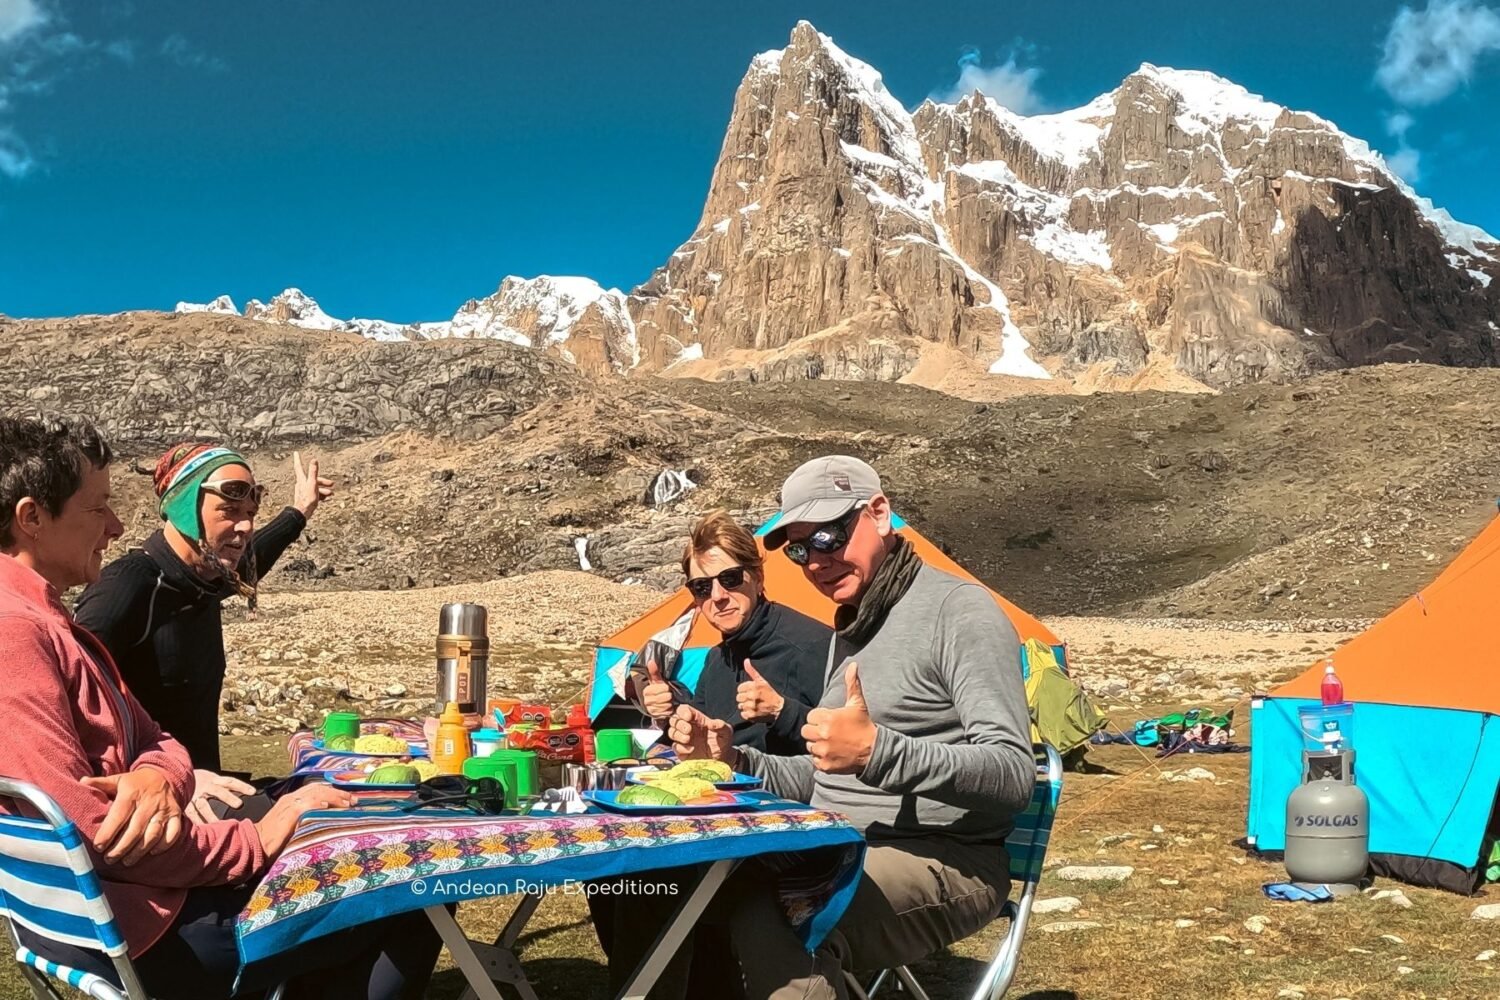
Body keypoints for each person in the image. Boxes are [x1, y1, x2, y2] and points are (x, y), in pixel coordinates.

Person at [0, 415, 439, 1000]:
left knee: (344, 841)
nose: (117, 525)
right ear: (31, 518)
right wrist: (260, 838)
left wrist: (158, 776)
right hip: (150, 930)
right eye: (98, 507)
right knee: (412, 891)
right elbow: (96, 832)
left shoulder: (50, 617)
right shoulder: (22, 632)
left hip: (139, 901)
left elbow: (155, 738)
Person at [665, 455, 1035, 1000]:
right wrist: (733, 760)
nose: (817, 561)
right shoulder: (855, 625)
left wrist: (877, 751)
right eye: (799, 549)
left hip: (943, 857)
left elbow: (1013, 773)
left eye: (829, 535)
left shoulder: (959, 611)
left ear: (879, 513)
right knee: (680, 881)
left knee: (780, 914)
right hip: (837, 839)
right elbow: (825, 776)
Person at [74, 442, 334, 822]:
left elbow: (255, 557)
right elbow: (65, 703)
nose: (245, 526)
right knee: (321, 817)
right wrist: (165, 780)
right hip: (160, 806)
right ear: (185, 507)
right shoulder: (128, 587)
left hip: (206, 788)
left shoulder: (202, 580)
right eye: (229, 511)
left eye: (250, 513)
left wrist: (299, 511)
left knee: (340, 791)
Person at [636, 509, 829, 755]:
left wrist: (782, 711)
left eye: (730, 578)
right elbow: (701, 740)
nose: (718, 596)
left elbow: (850, 748)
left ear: (758, 579)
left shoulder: (812, 646)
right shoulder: (717, 658)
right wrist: (669, 714)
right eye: (702, 587)